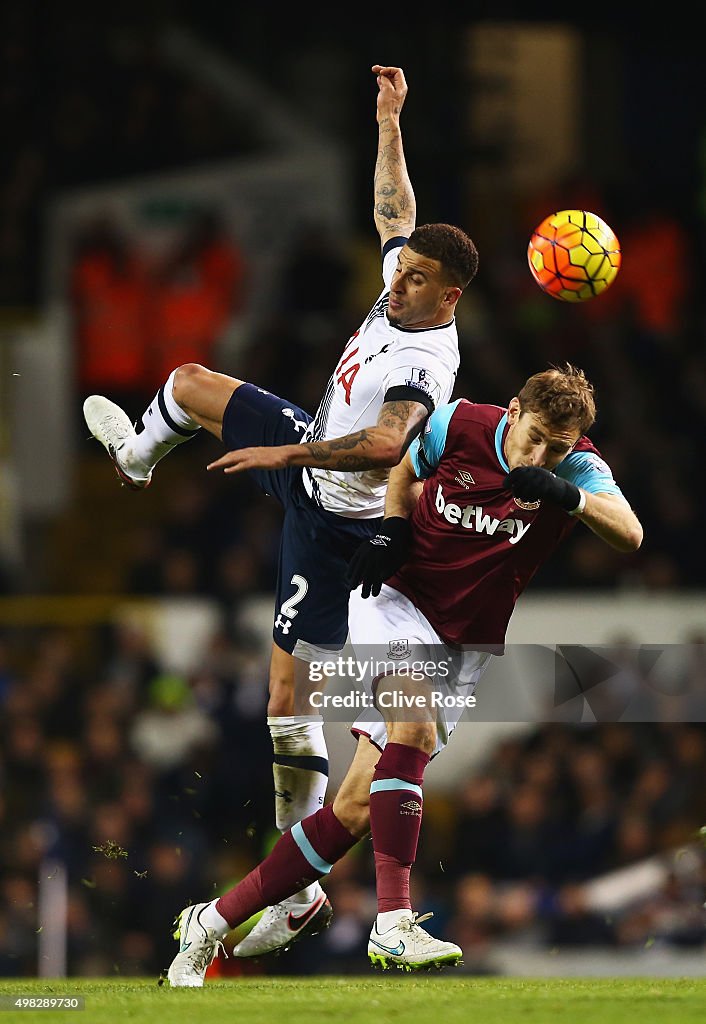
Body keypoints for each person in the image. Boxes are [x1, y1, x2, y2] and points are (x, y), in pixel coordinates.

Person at [83, 65, 479, 957]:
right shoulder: (400, 286)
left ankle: (296, 892)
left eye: (415, 280)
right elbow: (393, 216)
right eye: (402, 272)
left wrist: (288, 452)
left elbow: (384, 445)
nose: (397, 282)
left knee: (283, 699)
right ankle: (137, 459)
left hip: (336, 518)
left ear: (448, 298)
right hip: (307, 454)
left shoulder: (426, 364)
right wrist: (390, 122)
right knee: (188, 383)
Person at [164, 363, 643, 984]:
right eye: (536, 437)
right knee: (410, 729)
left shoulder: (576, 468)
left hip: (463, 644)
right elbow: (406, 465)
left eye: (558, 446)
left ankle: (211, 921)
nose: (543, 453)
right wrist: (392, 525)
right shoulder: (460, 422)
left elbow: (630, 534)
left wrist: (569, 496)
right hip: (394, 602)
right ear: (515, 411)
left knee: (357, 808)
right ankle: (394, 923)